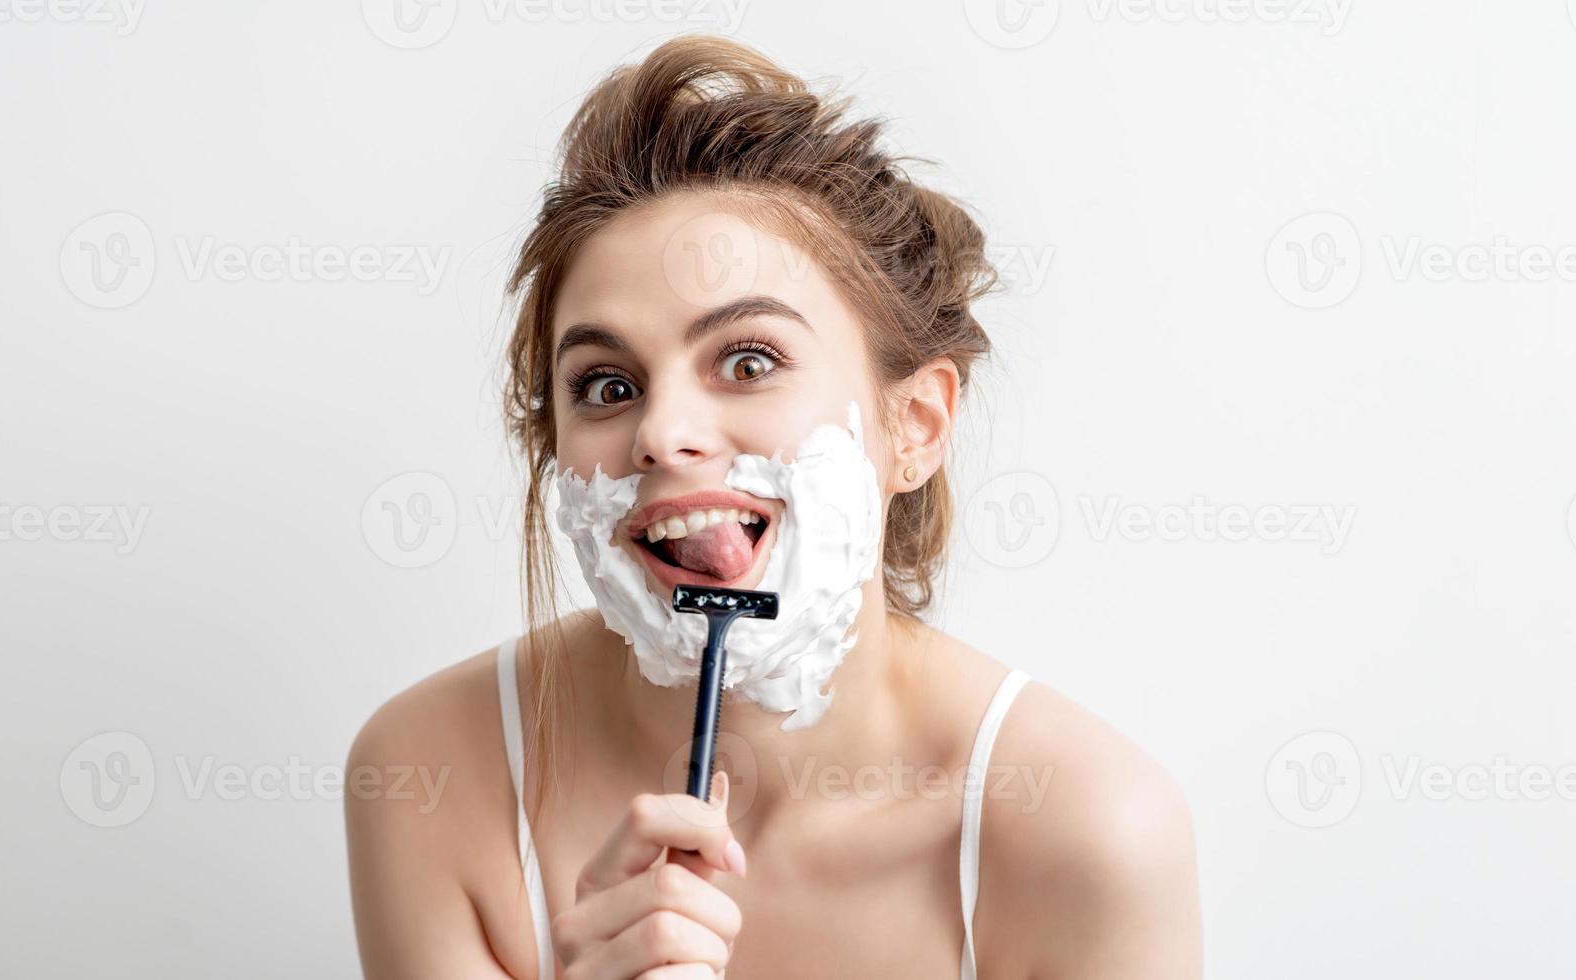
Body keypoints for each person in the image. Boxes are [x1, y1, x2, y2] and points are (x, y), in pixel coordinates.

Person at [344, 34, 1202, 980]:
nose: (661, 433)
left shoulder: (1087, 831)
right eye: (606, 384)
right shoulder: (431, 776)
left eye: (748, 362)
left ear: (913, 425)